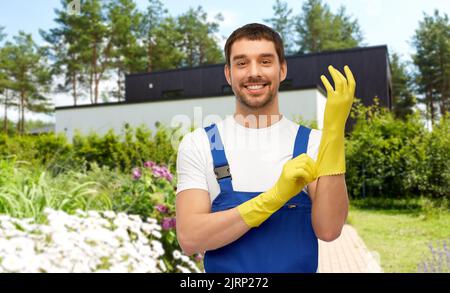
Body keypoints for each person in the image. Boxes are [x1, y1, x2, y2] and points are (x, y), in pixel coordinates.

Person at [175, 23, 355, 273]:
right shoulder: (200, 144)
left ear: (282, 69)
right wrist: (274, 198)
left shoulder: (312, 143)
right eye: (241, 63)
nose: (254, 72)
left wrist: (333, 133)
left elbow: (329, 229)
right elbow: (190, 238)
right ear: (228, 74)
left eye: (265, 61)